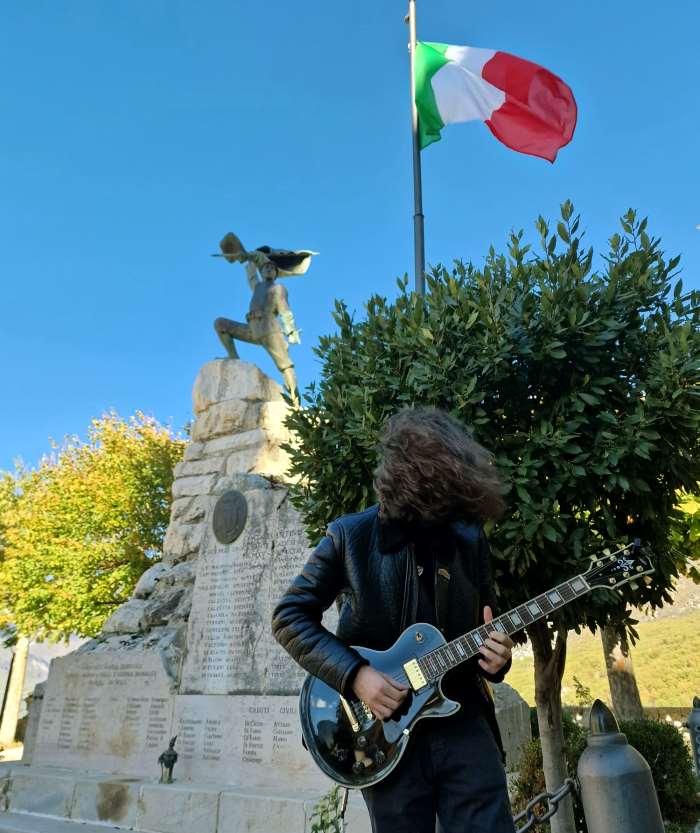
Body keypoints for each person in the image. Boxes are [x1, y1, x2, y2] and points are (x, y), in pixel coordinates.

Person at [272, 407, 516, 833]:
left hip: (463, 724)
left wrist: (498, 659)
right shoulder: (350, 536)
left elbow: (489, 628)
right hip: (383, 735)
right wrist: (356, 675)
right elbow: (290, 616)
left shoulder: (469, 539)